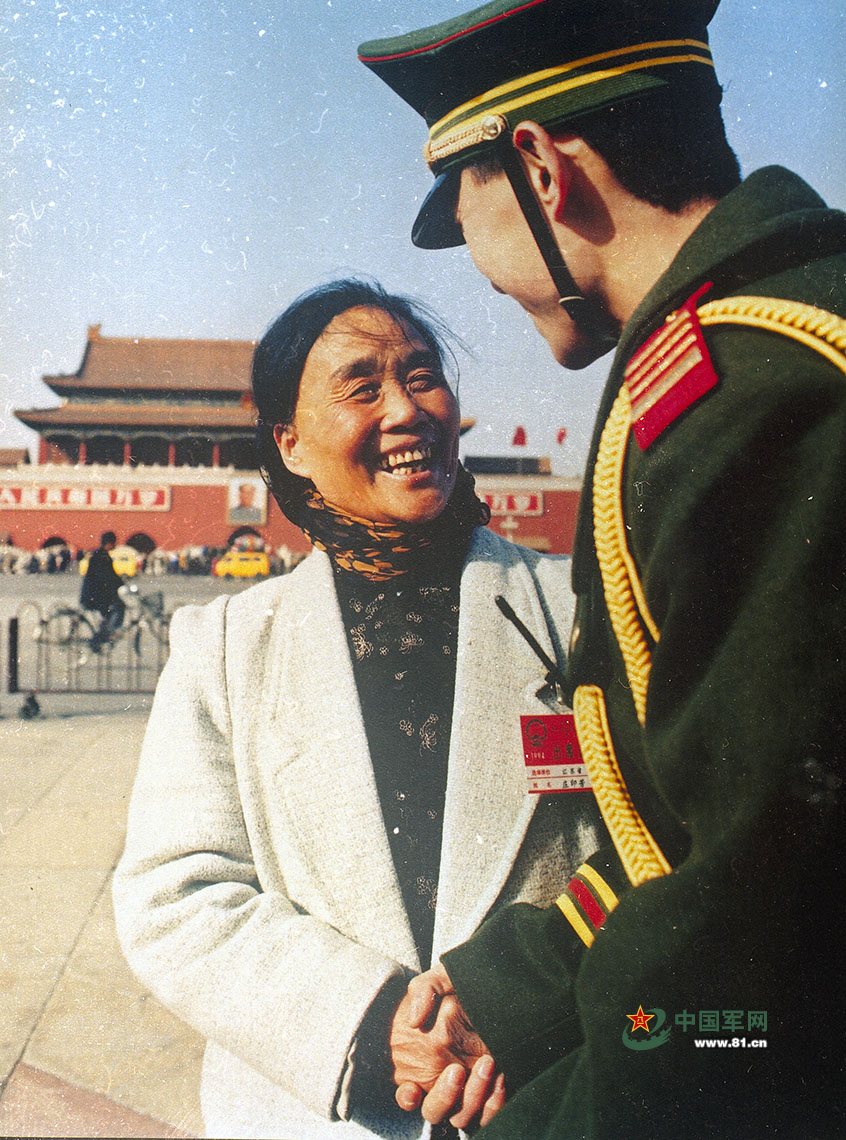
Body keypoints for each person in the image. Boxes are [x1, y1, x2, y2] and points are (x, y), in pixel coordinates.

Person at [357, 1, 846, 1136]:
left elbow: (755, 946)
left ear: (542, 169)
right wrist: (512, 991)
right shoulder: (754, 340)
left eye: (465, 214)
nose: (480, 270)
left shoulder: (756, 393)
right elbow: (690, 816)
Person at [112, 279, 607, 1140]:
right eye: (363, 387)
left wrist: (514, 1002)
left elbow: (664, 854)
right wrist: (375, 1026)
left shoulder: (575, 613)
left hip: (545, 1094)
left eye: (422, 376)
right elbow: (174, 893)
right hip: (320, 1110)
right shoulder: (226, 647)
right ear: (291, 444)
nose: (407, 410)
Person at [80, 529, 126, 651]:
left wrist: (120, 582)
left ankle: (103, 634)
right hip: (93, 596)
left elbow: (110, 575)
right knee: (119, 605)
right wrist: (119, 583)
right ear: (109, 543)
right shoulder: (101, 557)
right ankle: (107, 634)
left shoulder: (99, 555)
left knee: (110, 611)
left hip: (94, 594)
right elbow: (106, 577)